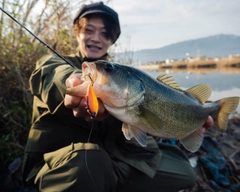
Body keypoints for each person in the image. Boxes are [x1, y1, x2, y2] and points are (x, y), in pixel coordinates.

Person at [22, 1, 214, 192]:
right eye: (89, 30)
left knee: (184, 171)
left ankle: (109, 183)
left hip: (116, 161)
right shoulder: (52, 62)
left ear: (112, 40)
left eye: (105, 34)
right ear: (77, 32)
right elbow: (51, 76)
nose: (96, 38)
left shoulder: (122, 75)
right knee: (86, 164)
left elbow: (141, 123)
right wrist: (70, 81)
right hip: (66, 164)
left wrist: (186, 120)